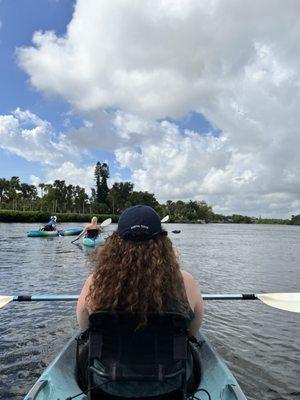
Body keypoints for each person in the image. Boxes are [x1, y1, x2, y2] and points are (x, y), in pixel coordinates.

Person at [76, 205, 204, 397]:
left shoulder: (96, 281)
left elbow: (85, 328)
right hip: (171, 389)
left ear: (117, 242)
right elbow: (192, 331)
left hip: (106, 388)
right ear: (162, 242)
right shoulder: (186, 281)